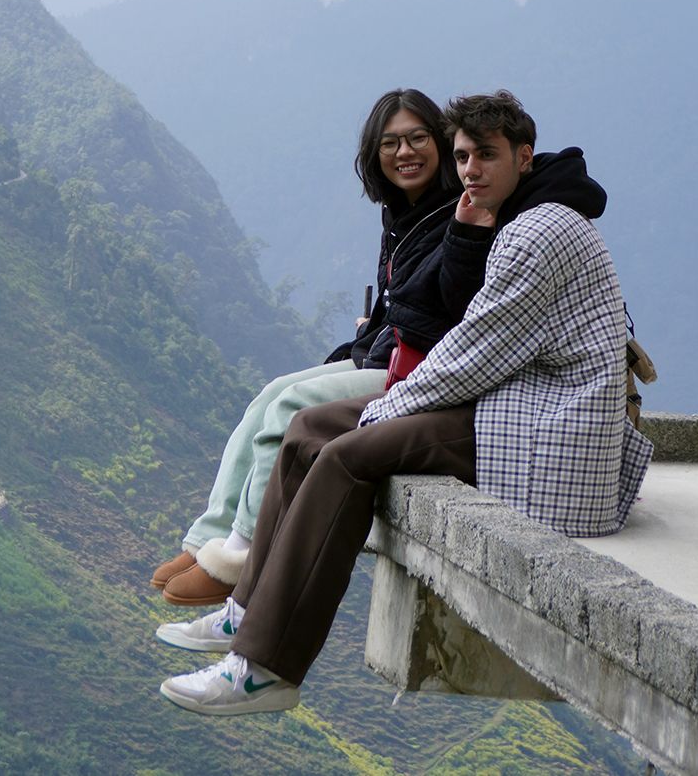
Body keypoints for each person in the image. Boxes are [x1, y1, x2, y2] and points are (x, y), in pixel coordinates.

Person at [158, 90, 654, 716]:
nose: (472, 170)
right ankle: (244, 610)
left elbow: (473, 353)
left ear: (524, 157)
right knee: (309, 426)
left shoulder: (538, 232)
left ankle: (265, 669)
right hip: (504, 403)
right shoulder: (508, 216)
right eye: (466, 156)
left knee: (345, 457)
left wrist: (384, 410)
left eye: (488, 156)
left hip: (538, 428)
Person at [153, 88, 493, 606]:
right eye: (390, 143)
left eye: (418, 138)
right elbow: (400, 301)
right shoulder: (406, 214)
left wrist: (466, 239)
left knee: (290, 409)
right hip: (388, 353)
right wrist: (367, 334)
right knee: (267, 397)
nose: (406, 152)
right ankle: (207, 541)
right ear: (374, 155)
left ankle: (238, 558)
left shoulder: (461, 212)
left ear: (443, 144)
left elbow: (449, 306)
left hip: (421, 372)